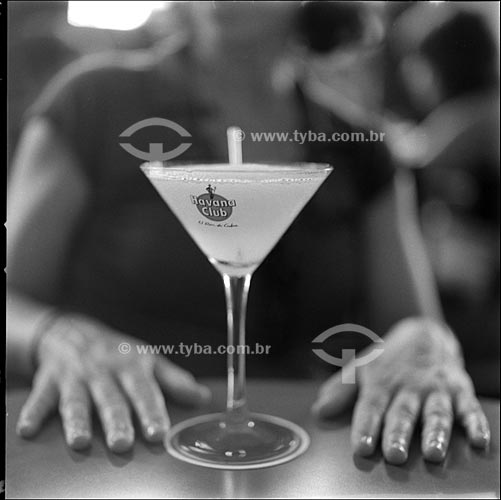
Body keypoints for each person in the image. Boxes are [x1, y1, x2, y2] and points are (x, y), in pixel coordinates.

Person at [7, 1, 490, 464]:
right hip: (118, 445)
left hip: (321, 453)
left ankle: (237, 419)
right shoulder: (93, 101)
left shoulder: (360, 147)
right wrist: (54, 335)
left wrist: (428, 342)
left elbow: (411, 324)